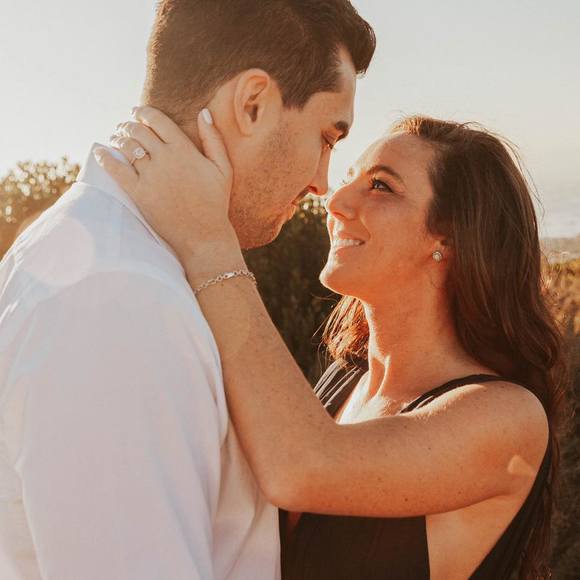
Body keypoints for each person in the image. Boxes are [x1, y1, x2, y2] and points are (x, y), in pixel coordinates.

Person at [98, 108, 568, 579]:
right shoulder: (345, 379)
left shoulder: (508, 419)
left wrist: (208, 240)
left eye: (380, 186)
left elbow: (300, 467)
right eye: (348, 179)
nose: (335, 201)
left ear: (450, 238)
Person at [0, 1, 375, 578]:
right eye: (327, 137)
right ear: (253, 104)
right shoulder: (121, 301)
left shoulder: (104, 254)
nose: (323, 183)